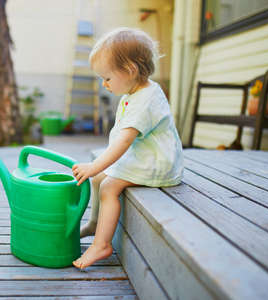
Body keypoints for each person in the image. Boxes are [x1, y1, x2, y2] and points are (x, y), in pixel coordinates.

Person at [71, 27, 184, 270]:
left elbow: (123, 143)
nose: (104, 85)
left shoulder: (145, 100)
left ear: (130, 70)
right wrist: (98, 169)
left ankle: (102, 244)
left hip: (156, 162)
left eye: (108, 78)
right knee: (99, 177)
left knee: (109, 186)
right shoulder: (135, 92)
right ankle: (95, 224)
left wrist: (94, 165)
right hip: (144, 153)